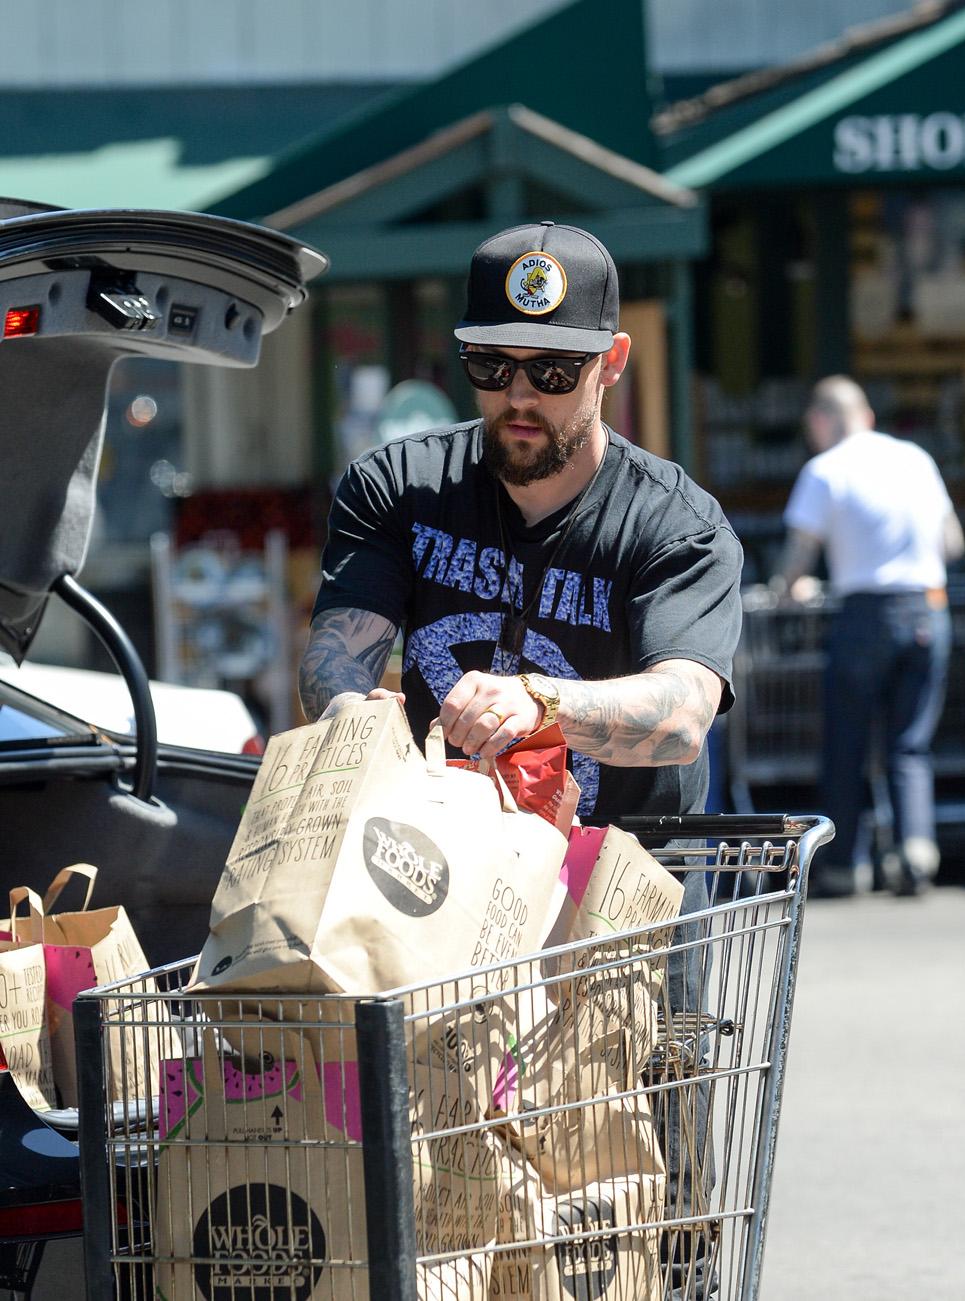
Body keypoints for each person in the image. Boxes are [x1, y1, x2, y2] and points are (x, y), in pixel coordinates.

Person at [300, 222, 743, 1298]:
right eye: (491, 365)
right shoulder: (399, 487)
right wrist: (364, 712)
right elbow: (334, 659)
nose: (518, 398)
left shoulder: (671, 525)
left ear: (612, 362)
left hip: (610, 936)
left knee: (632, 1233)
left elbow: (682, 711)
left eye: (551, 370)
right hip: (431, 919)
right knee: (447, 1234)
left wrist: (543, 702)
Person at [774, 375, 964, 898]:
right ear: (868, 415)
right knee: (909, 744)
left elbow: (797, 557)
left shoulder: (825, 470)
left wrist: (792, 587)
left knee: (848, 741)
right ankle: (916, 850)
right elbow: (951, 542)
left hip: (864, 616)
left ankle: (844, 865)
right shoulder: (916, 460)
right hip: (928, 608)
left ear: (820, 420)